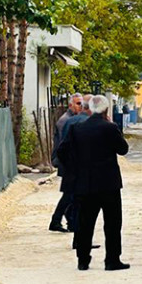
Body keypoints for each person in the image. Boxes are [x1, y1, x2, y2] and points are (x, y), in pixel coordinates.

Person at [58, 94, 130, 271]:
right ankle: (112, 260)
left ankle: (83, 260)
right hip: (108, 184)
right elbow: (123, 149)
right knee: (112, 223)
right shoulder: (110, 128)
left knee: (85, 223)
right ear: (105, 109)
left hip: (84, 183)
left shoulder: (78, 128)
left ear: (88, 107)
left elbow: (62, 151)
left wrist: (74, 170)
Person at [49, 94, 88, 233]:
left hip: (67, 162)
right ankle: (58, 220)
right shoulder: (66, 121)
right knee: (69, 195)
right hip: (67, 162)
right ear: (71, 104)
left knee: (70, 194)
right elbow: (63, 145)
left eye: (81, 104)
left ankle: (66, 221)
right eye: (78, 103)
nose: (80, 106)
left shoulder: (70, 120)